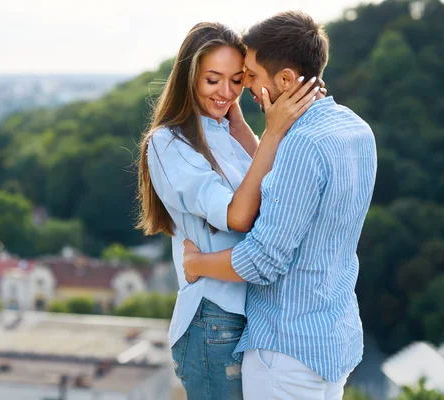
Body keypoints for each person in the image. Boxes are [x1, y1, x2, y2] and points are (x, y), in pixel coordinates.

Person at [182, 11, 377, 400]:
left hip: (285, 354)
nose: (244, 86)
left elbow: (263, 261)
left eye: (251, 75)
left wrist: (196, 264)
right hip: (332, 340)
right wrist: (248, 128)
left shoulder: (304, 146)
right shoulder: (355, 129)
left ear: (285, 80)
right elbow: (288, 187)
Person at [136, 21, 322, 399]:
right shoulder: (168, 143)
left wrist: (238, 116)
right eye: (212, 80)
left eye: (237, 80)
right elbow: (238, 215)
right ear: (189, 79)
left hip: (252, 314)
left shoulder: (224, 130)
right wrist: (272, 132)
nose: (225, 92)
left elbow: (270, 183)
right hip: (212, 321)